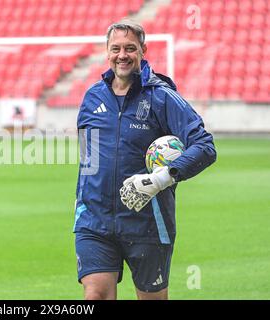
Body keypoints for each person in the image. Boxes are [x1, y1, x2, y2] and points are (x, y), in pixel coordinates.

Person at [74, 20, 216, 300]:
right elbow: (87, 161)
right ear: (107, 52)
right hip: (95, 222)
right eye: (116, 48)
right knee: (95, 296)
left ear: (143, 51)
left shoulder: (162, 97)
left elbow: (205, 146)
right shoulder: (92, 98)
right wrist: (81, 201)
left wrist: (161, 178)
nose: (122, 55)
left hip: (148, 223)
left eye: (130, 48)